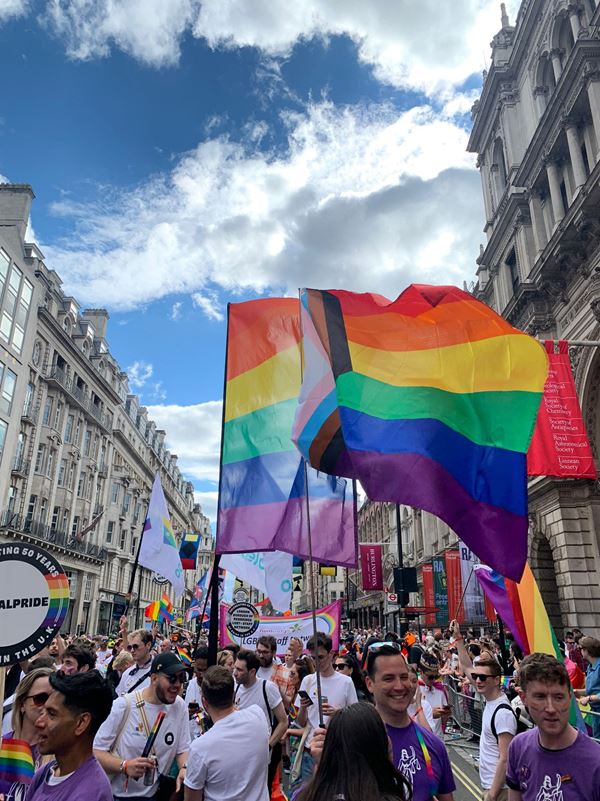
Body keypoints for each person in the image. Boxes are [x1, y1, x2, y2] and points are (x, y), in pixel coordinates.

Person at [364, 641, 455, 801]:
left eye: (404, 677)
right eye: (389, 678)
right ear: (370, 684)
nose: (399, 686)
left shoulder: (433, 745)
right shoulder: (356, 740)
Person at [94, 652, 191, 799]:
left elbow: (182, 748)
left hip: (157, 794)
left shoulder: (179, 706)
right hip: (119, 796)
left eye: (181, 678)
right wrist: (124, 766)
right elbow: (96, 751)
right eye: (171, 678)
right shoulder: (123, 706)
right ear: (154, 679)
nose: (177, 685)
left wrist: (184, 768)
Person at [507, 653, 600, 800]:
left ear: (570, 699)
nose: (550, 708)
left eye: (558, 697)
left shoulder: (596, 761)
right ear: (524, 699)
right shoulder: (518, 747)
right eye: (540, 697)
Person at [294, 702, 411, 801]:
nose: (389, 740)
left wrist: (323, 764)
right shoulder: (391, 793)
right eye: (383, 732)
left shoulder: (306, 795)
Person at [184, 666, 270, 801]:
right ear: (234, 695)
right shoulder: (257, 715)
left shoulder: (200, 747)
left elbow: (191, 798)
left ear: (204, 702)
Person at [452, 620, 516, 801]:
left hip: (499, 791)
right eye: (476, 677)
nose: (477, 680)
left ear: (496, 680)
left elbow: (505, 758)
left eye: (482, 677)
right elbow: (466, 667)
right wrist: (458, 637)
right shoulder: (490, 700)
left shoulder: (502, 713)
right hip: (490, 786)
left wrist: (492, 795)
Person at [25, 670, 114, 801]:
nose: (39, 722)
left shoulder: (91, 794)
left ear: (81, 723)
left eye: (51, 714)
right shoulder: (45, 773)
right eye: (43, 711)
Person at [233, 649, 287, 794]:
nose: (235, 673)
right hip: (239, 755)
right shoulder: (235, 686)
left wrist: (268, 745)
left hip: (261, 759)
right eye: (234, 668)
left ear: (252, 672)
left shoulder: (267, 688)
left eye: (239, 669)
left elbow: (283, 721)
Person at [0, 667, 54, 801]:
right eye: (41, 698)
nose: (48, 705)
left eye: (54, 699)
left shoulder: (58, 757)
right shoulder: (1, 745)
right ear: (22, 703)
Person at [418, 653, 451, 738]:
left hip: (437, 738)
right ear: (420, 671)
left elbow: (443, 721)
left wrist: (446, 714)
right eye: (430, 677)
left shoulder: (440, 690)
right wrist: (430, 713)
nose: (433, 680)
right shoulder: (413, 689)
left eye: (436, 676)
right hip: (421, 739)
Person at [116, 629, 154, 696]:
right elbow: (119, 699)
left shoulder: (159, 671)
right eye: (130, 647)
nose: (132, 650)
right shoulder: (127, 673)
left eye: (136, 646)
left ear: (148, 645)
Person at [185, 647, 210, 739]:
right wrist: (187, 714)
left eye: (205, 670)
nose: (202, 674)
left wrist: (205, 717)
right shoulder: (185, 687)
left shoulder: (219, 688)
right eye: (199, 670)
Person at [578, 635, 600, 740]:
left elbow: (592, 694)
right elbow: (590, 690)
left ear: (587, 650)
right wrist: (575, 691)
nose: (580, 651)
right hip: (595, 712)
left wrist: (589, 698)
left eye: (580, 648)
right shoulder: (590, 667)